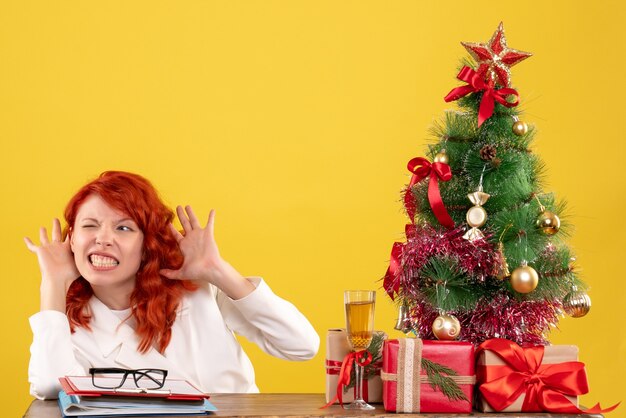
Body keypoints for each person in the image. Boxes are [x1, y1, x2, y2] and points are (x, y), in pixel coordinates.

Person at [25, 171, 319, 400]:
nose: (103, 238)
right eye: (89, 225)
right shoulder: (66, 324)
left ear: (147, 245)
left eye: (124, 228)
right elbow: (52, 386)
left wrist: (218, 270)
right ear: (72, 239)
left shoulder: (197, 289)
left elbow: (301, 345)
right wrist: (52, 283)